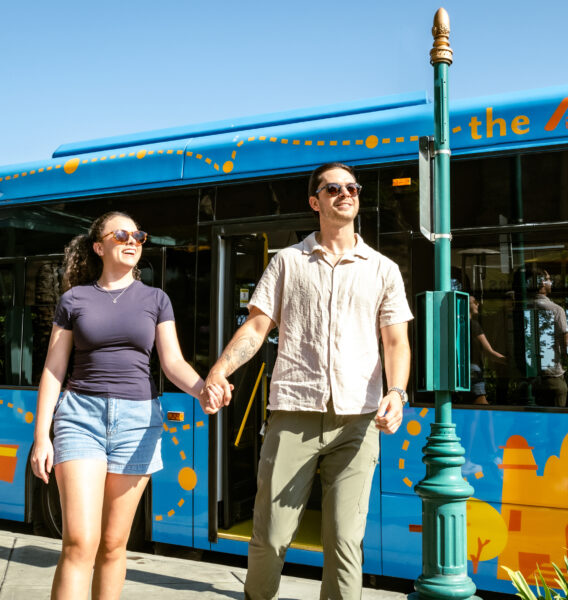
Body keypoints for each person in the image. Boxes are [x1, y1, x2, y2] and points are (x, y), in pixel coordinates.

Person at [200, 162, 413, 600]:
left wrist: (396, 390)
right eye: (333, 188)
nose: (345, 193)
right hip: (293, 415)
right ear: (315, 201)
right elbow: (257, 328)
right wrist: (219, 370)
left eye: (351, 187)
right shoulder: (287, 263)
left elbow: (396, 341)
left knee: (345, 543)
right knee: (272, 537)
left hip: (358, 421)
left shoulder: (382, 269)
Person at [30, 211, 222, 600]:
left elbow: (172, 363)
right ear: (100, 247)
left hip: (138, 421)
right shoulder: (74, 299)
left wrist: (203, 389)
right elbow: (54, 367)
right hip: (80, 417)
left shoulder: (156, 299)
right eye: (121, 234)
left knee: (115, 545)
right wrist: (41, 436)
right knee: (80, 542)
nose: (132, 240)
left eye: (138, 234)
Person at [529, 267, 568, 406]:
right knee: (556, 423)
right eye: (548, 279)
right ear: (541, 283)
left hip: (532, 379)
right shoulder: (556, 309)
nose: (551, 282)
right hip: (552, 377)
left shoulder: (524, 306)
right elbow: (565, 340)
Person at [468, 295, 505, 405]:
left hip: (465, 370)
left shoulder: (458, 324)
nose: (477, 304)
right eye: (475, 301)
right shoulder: (473, 325)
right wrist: (509, 361)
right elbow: (489, 352)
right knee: (481, 406)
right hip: (474, 370)